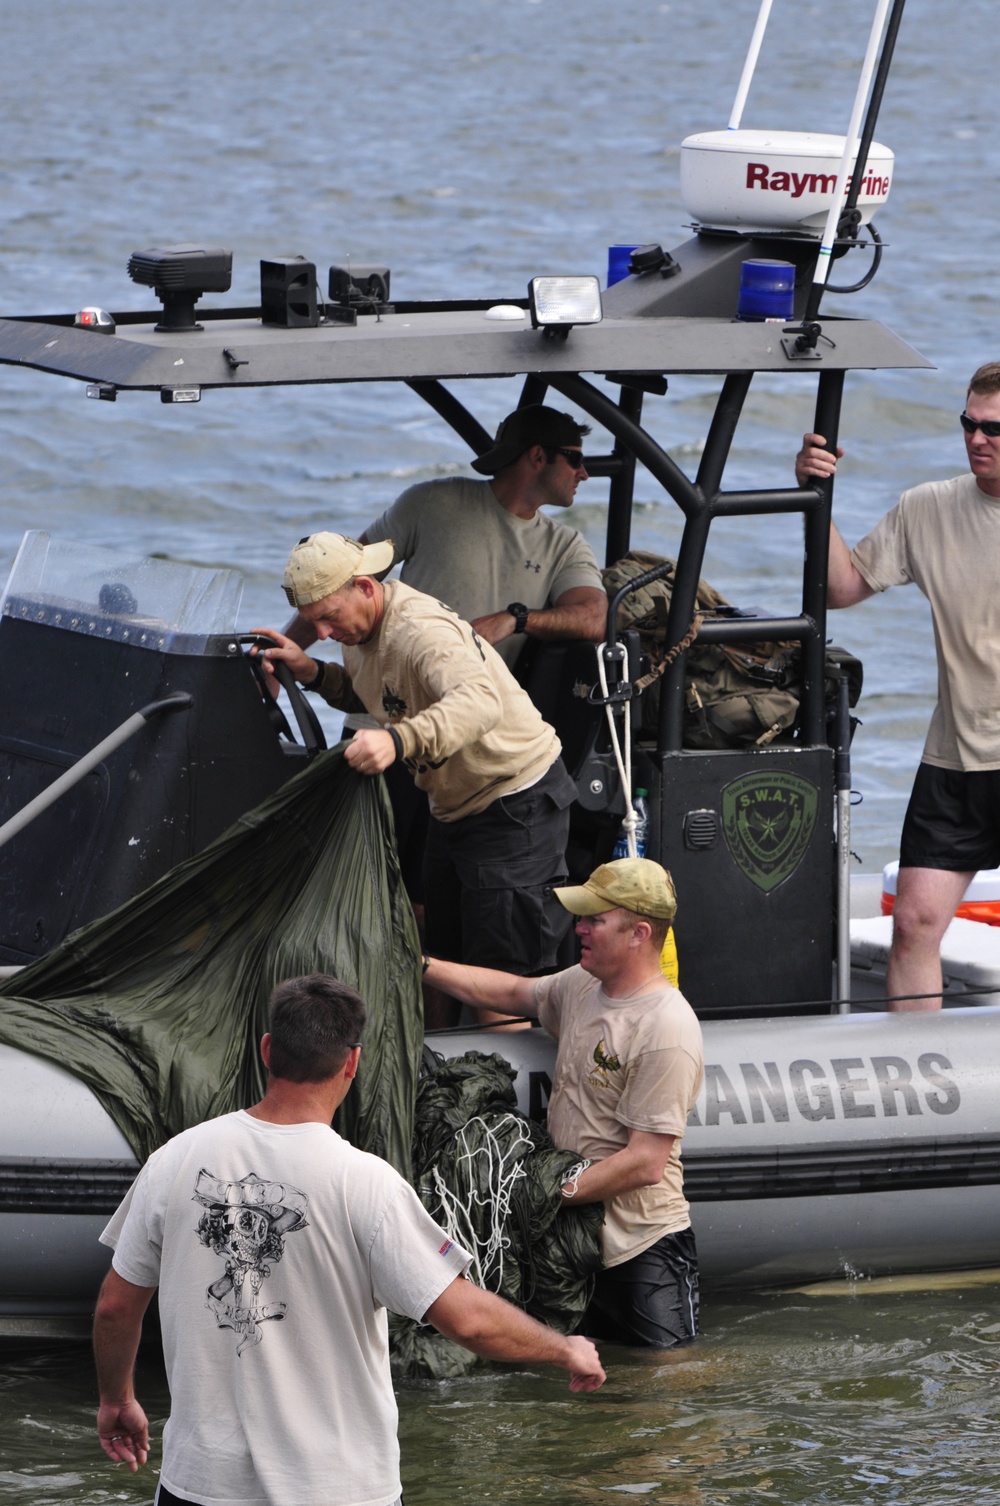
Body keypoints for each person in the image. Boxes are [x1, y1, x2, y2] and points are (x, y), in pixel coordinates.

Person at [93, 974, 605, 1506]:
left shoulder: (173, 1161)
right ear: (352, 1063)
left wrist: (117, 1399)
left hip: (198, 1488)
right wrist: (563, 1348)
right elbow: (468, 1321)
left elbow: (114, 1307)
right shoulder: (367, 1184)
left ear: (267, 1050)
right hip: (338, 1490)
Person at [253, 532, 577, 984]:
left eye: (328, 618)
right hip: (451, 808)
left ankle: (497, 1053)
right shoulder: (361, 628)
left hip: (513, 803)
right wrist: (314, 673)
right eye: (313, 623)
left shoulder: (420, 631)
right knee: (438, 956)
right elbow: (380, 696)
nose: (323, 634)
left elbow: (481, 703)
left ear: (365, 587)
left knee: (502, 974)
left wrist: (397, 743)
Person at [423, 858, 705, 1350]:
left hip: (640, 1246)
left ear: (639, 933)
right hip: (566, 1247)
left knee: (663, 1390)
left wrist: (545, 1194)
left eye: (594, 919)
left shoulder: (666, 1027)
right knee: (573, 1378)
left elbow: (645, 1162)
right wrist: (419, 965)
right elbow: (511, 991)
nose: (578, 928)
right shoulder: (581, 984)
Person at [796, 361, 1000, 1011]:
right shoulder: (928, 508)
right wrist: (814, 497)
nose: (977, 439)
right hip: (956, 758)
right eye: (969, 424)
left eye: (994, 428)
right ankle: (921, 1087)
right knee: (913, 925)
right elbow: (840, 587)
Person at [283, 404, 608, 671]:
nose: (584, 473)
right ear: (538, 457)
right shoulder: (429, 502)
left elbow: (594, 619)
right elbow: (338, 585)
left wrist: (515, 619)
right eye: (576, 459)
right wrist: (282, 656)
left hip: (473, 726)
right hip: (381, 710)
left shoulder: (566, 546)